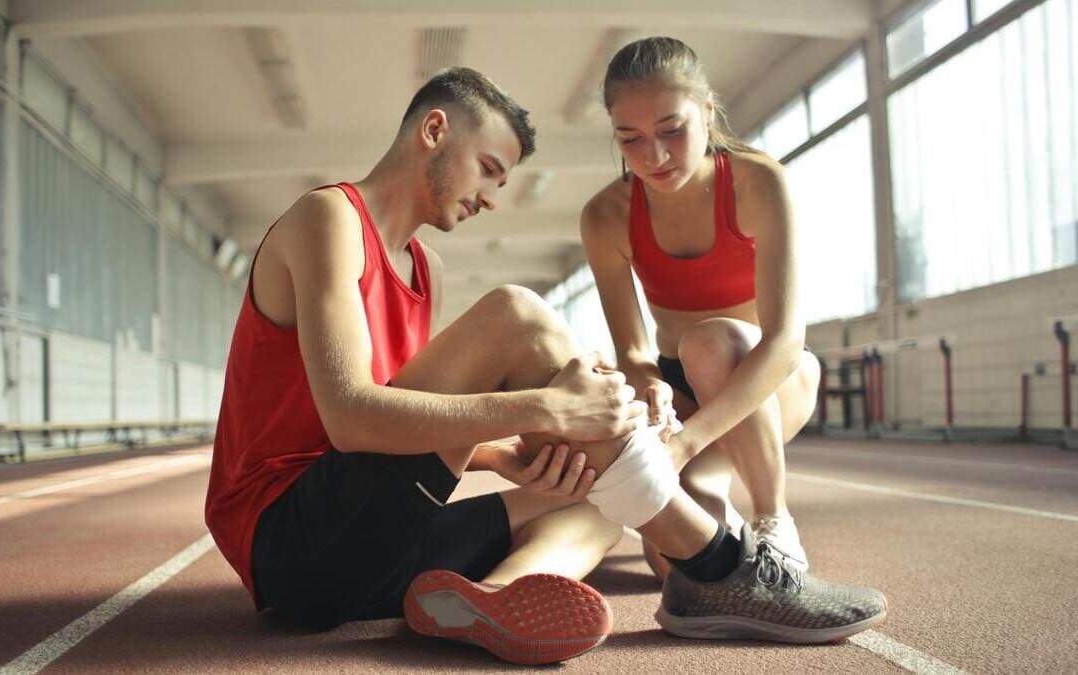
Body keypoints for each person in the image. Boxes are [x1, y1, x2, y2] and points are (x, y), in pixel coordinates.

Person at [205, 66, 884, 666]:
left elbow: (400, 424)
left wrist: (505, 456)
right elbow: (352, 420)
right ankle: (718, 566)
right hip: (292, 547)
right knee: (515, 314)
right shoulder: (328, 218)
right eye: (488, 169)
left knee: (597, 493)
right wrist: (546, 409)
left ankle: (491, 597)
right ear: (435, 131)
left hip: (367, 555)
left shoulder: (425, 269)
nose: (492, 198)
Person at [580, 36, 820, 576]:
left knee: (710, 343)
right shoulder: (605, 216)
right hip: (682, 393)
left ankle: (773, 518)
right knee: (675, 563)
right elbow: (633, 350)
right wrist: (652, 389)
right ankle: (718, 505)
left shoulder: (759, 182)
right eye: (630, 139)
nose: (654, 157)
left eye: (671, 130)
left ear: (707, 111)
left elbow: (785, 341)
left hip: (771, 379)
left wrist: (686, 445)